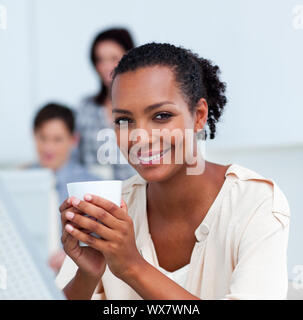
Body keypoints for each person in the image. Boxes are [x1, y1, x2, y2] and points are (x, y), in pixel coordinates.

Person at [58, 43, 290, 300]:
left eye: (161, 116)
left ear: (199, 115)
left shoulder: (254, 203)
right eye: (124, 120)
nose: (140, 137)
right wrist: (86, 275)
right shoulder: (112, 209)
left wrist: (132, 267)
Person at [32, 103, 99, 273]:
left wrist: (71, 257)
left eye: (57, 139)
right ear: (34, 136)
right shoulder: (20, 184)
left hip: (76, 276)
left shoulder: (92, 187)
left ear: (73, 140)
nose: (48, 147)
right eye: (43, 138)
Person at [75, 27, 136, 180]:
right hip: (94, 198)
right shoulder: (85, 108)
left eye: (114, 58)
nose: (105, 67)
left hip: (139, 196)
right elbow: (72, 156)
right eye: (99, 60)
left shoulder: (146, 107)